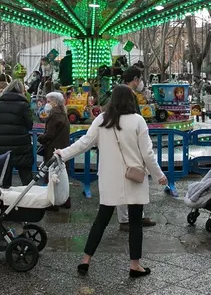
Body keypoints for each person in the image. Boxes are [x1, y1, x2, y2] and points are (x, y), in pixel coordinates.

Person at [55, 85, 167, 278]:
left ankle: (85, 260)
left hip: (109, 178)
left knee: (101, 220)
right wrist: (159, 175)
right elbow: (147, 154)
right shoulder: (138, 121)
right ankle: (135, 265)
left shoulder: (102, 119)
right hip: (134, 178)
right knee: (135, 223)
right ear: (131, 100)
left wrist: (62, 153)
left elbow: (84, 143)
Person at [118, 67, 157, 230]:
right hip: (126, 142)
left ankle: (136, 216)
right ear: (135, 79)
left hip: (130, 141)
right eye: (140, 79)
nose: (141, 82)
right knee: (123, 182)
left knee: (135, 180)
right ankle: (125, 219)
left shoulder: (128, 93)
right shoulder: (125, 94)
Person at [0, 80, 34, 188]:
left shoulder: (0, 104)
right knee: (26, 176)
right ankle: (28, 199)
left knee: (5, 175)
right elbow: (29, 125)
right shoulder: (24, 105)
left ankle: (4, 201)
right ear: (21, 91)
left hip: (2, 144)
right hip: (21, 144)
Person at [37, 91, 71, 208]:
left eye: (49, 101)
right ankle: (65, 200)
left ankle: (52, 203)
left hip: (52, 149)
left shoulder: (54, 116)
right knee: (61, 175)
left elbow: (49, 134)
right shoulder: (63, 114)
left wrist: (40, 138)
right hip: (62, 148)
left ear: (55, 103)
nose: (47, 104)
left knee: (52, 176)